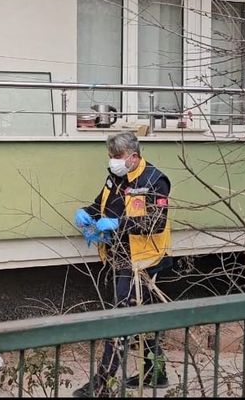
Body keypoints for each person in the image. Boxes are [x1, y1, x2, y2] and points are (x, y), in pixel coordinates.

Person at [72, 131, 173, 397]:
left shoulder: (155, 180)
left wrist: (118, 224)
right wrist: (86, 214)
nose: (113, 161)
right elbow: (99, 205)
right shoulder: (115, 177)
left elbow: (156, 222)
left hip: (144, 259)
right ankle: (156, 371)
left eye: (117, 157)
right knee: (144, 315)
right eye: (110, 157)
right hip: (120, 255)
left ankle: (101, 384)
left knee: (120, 316)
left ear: (133, 156)